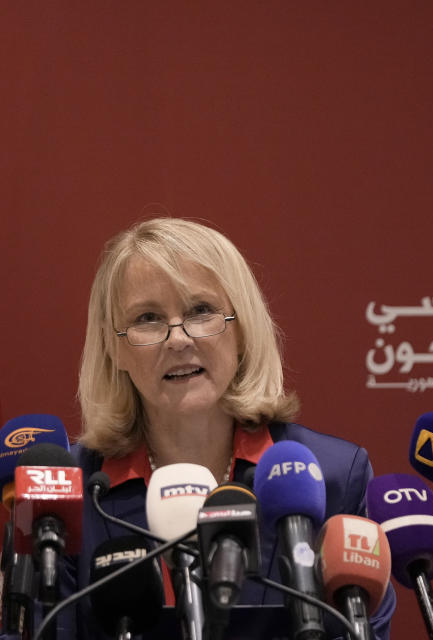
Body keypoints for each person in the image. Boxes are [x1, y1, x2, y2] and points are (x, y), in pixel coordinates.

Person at [59, 217, 394, 638]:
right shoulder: (69, 492)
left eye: (201, 311)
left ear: (242, 330)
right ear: (115, 348)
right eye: (148, 318)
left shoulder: (334, 478)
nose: (178, 339)